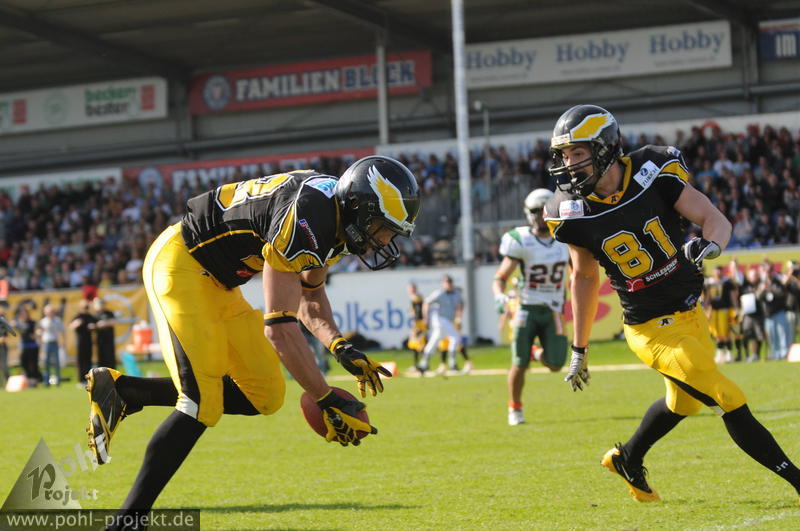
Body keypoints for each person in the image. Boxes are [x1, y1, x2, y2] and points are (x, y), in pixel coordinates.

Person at [82, 155, 419, 527]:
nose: (384, 240)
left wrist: (340, 347)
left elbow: (310, 299)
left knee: (265, 394)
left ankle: (125, 392)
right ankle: (128, 520)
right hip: (182, 264)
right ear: (359, 207)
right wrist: (325, 398)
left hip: (222, 284)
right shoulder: (308, 216)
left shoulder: (335, 218)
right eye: (382, 228)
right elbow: (279, 327)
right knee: (200, 404)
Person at [543, 104, 800, 503]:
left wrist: (711, 245)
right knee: (727, 396)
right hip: (649, 328)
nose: (569, 164)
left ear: (605, 148)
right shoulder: (570, 209)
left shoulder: (652, 170)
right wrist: (580, 348)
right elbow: (585, 277)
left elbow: (714, 218)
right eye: (564, 155)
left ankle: (627, 458)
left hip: (691, 311)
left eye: (578, 152)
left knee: (683, 403)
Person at [492, 188, 570, 426]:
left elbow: (579, 273)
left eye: (543, 209)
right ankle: (515, 408)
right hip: (526, 307)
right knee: (519, 363)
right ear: (528, 212)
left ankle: (535, 352)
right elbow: (501, 276)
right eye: (535, 210)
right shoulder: (521, 239)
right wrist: (499, 295)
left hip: (554, 308)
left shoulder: (566, 238)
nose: (539, 215)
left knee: (556, 364)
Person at [417, 275, 464, 375]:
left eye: (450, 282)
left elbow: (460, 305)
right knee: (455, 337)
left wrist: (458, 318)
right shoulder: (439, 293)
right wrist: (425, 318)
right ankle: (452, 363)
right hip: (439, 319)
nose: (448, 284)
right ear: (443, 284)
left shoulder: (456, 294)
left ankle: (423, 364)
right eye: (446, 282)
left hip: (448, 321)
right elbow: (426, 302)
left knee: (434, 341)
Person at [703, 265, 738, 363]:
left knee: (725, 333)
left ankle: (729, 354)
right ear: (713, 272)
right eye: (716, 271)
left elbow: (732, 296)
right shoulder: (710, 283)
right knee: (717, 333)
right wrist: (706, 309)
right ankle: (720, 354)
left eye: (719, 271)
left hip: (724, 309)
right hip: (713, 310)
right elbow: (707, 297)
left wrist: (736, 308)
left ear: (722, 272)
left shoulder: (727, 282)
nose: (718, 273)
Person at [70, 300, 97, 386]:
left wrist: (93, 326)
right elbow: (71, 326)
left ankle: (88, 380)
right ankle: (80, 380)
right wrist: (76, 324)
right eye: (84, 307)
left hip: (89, 342)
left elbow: (97, 325)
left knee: (88, 361)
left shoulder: (90, 317)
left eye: (87, 307)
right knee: (81, 361)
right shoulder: (78, 316)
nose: (86, 309)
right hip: (80, 343)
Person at [37, 304, 65, 387]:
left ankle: (58, 380)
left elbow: (62, 331)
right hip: (46, 343)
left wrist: (63, 342)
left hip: (54, 343)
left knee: (56, 362)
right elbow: (40, 332)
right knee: (46, 363)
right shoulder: (43, 321)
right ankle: (46, 381)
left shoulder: (57, 320)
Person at [15, 306, 41, 386]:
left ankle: (34, 381)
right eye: (22, 314)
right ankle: (29, 379)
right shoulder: (19, 324)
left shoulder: (32, 322)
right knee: (23, 363)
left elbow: (39, 330)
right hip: (24, 346)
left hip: (33, 346)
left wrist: (37, 334)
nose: (23, 316)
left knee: (33, 364)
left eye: (24, 314)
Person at [405, 283, 427, 374]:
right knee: (414, 345)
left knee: (419, 345)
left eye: (411, 288)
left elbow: (418, 312)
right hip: (417, 323)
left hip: (419, 324)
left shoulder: (417, 298)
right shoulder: (415, 298)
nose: (410, 290)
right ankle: (417, 365)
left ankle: (424, 364)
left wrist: (416, 325)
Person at [93, 297, 118, 369]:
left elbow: (114, 321)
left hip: (109, 340)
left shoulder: (109, 313)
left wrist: (105, 323)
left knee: (110, 358)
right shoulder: (95, 315)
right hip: (100, 341)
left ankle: (112, 374)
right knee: (101, 360)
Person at [0, 303, 15, 385]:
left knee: (4, 365)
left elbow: (7, 335)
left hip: (2, 346)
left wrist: (3, 339)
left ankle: (8, 382)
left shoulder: (3, 323)